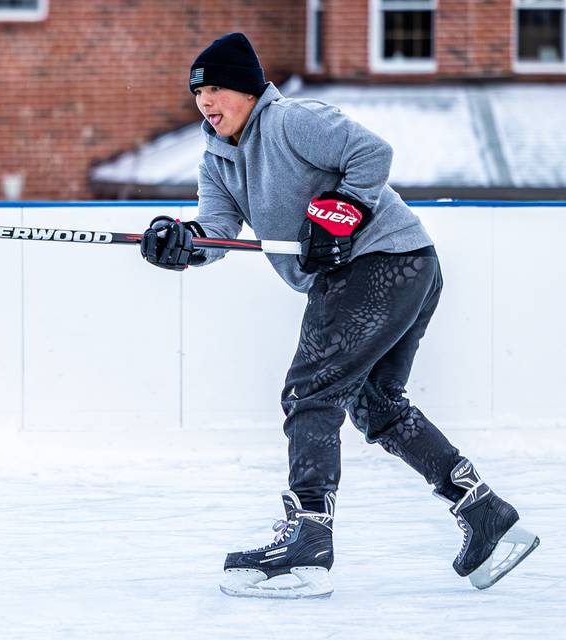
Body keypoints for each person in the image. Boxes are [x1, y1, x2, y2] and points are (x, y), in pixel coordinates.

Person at [139, 32, 539, 599]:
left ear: (250, 90)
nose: (206, 100)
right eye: (197, 91)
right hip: (401, 269)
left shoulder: (290, 121)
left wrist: (343, 214)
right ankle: (484, 511)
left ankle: (309, 535)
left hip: (382, 261)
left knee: (311, 391)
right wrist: (182, 244)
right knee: (375, 405)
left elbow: (371, 153)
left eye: (218, 87)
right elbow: (217, 233)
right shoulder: (217, 159)